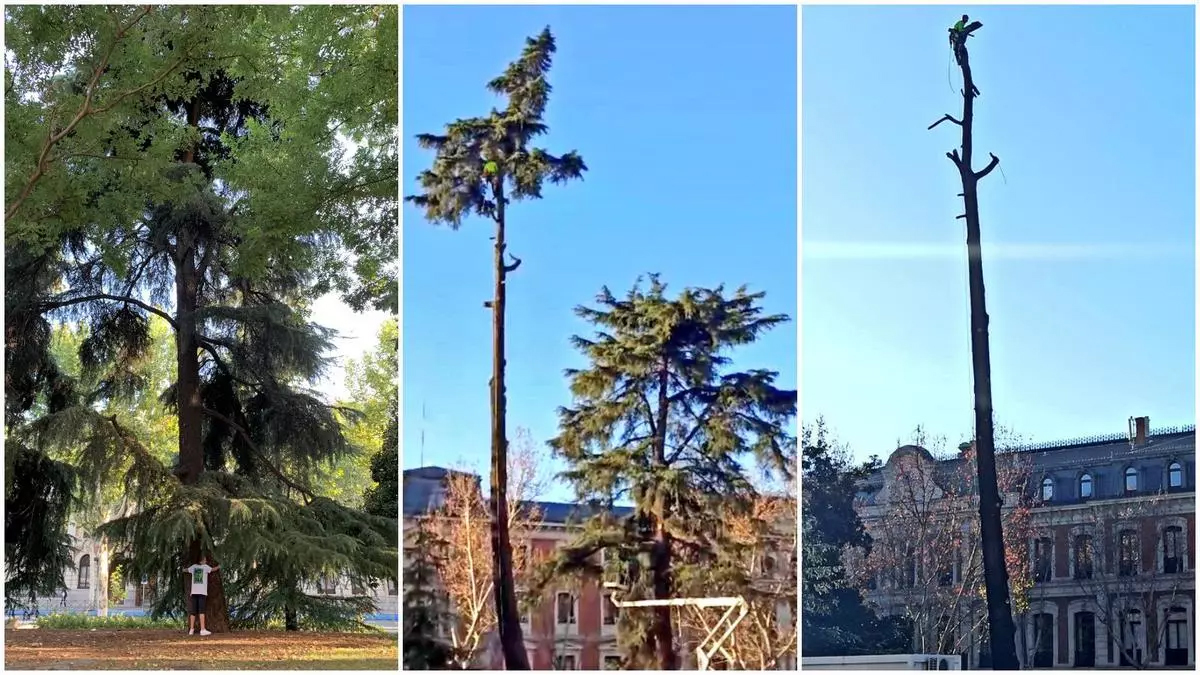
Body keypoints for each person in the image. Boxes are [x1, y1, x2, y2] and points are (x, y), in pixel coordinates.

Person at [183, 554, 220, 636]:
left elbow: (186, 570)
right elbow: (213, 569)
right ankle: (202, 629)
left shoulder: (193, 567)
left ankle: (191, 630)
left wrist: (182, 569)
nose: (206, 561)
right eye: (204, 560)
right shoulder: (205, 567)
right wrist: (219, 566)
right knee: (201, 611)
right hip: (202, 592)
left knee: (193, 612)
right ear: (201, 561)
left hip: (194, 592)